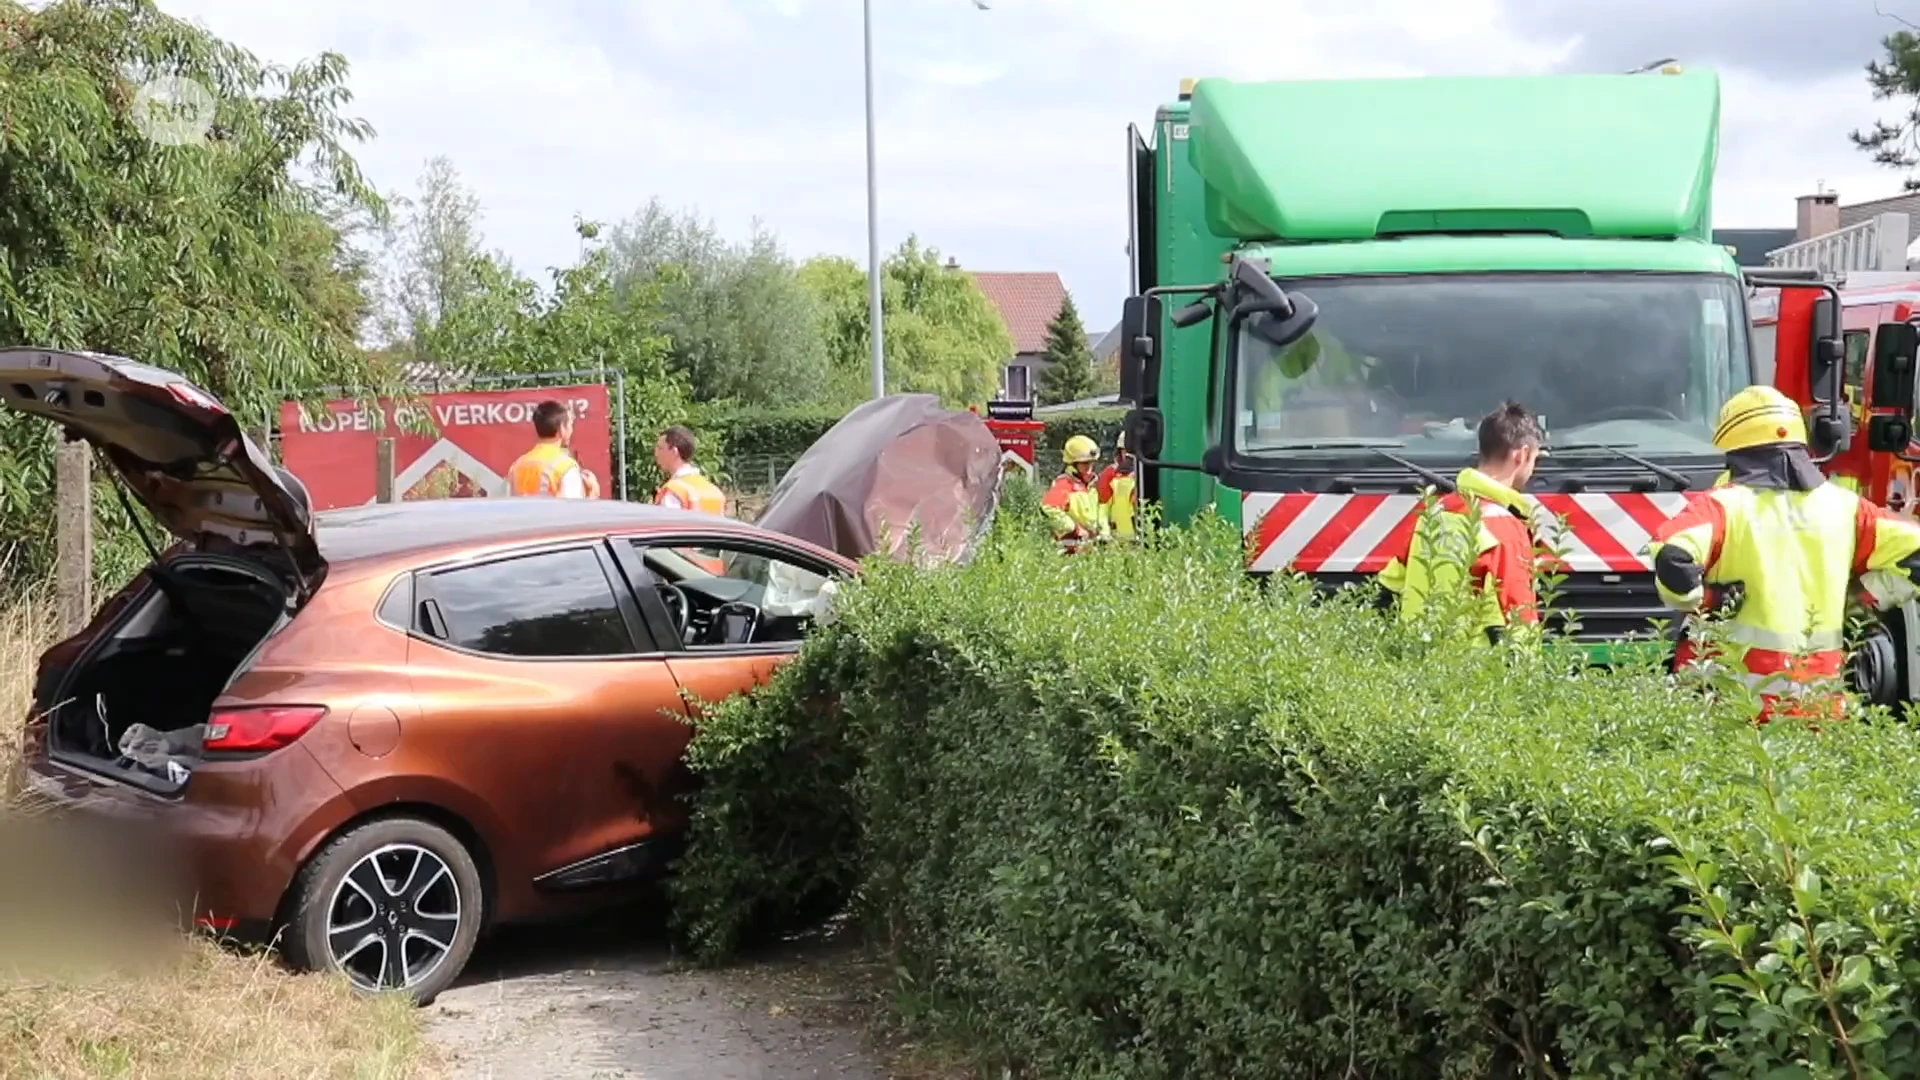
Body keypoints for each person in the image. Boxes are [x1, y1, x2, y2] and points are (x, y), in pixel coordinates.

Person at [1647, 385, 1920, 723]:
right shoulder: (1848, 510)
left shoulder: (1722, 507)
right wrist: (1863, 598)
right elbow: (1915, 554)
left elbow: (1673, 559)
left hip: (1728, 701)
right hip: (1816, 701)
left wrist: (1707, 600)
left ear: (1736, 451)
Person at [1377, 401, 1544, 643]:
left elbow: (1387, 589)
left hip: (1422, 666)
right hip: (1479, 673)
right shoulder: (1503, 527)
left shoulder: (1433, 514)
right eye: (1535, 460)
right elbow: (1517, 619)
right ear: (1523, 455)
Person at [507, 400, 599, 498]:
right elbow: (572, 510)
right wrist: (593, 493)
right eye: (570, 424)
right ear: (561, 429)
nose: (571, 430)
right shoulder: (565, 467)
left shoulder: (517, 466)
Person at [1043, 434, 1108, 549]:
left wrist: (1104, 531)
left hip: (1090, 547)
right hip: (1070, 548)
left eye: (1091, 462)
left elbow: (1101, 511)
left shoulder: (1093, 486)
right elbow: (1049, 508)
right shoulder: (1064, 484)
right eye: (1084, 463)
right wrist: (1073, 528)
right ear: (1073, 464)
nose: (1089, 466)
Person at [653, 425, 727, 515]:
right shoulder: (715, 492)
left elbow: (668, 526)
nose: (656, 453)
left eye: (660, 448)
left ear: (674, 452)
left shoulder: (674, 492)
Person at [1095, 432, 1137, 540]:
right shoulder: (1110, 473)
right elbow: (1102, 506)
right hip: (1119, 536)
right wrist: (1105, 530)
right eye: (1126, 451)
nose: (1129, 456)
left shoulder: (1151, 472)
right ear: (1120, 451)